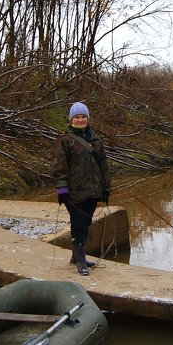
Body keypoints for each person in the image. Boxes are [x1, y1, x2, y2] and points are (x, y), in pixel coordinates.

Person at [52, 101, 110, 275]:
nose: (80, 120)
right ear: (71, 120)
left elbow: (103, 166)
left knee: (85, 223)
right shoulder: (64, 141)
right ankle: (80, 262)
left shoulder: (96, 140)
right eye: (77, 117)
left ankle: (76, 257)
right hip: (74, 192)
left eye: (83, 116)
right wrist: (62, 189)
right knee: (78, 225)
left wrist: (106, 188)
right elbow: (59, 167)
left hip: (93, 192)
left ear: (88, 118)